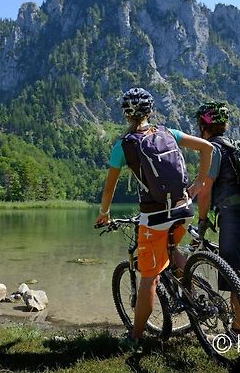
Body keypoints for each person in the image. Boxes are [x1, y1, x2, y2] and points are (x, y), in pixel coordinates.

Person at [95, 87, 213, 350]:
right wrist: (199, 184)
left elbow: (109, 189)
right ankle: (195, 300)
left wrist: (104, 213)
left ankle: (135, 338)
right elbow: (207, 148)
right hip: (185, 209)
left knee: (149, 278)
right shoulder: (168, 132)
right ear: (150, 111)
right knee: (173, 249)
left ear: (126, 114)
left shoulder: (124, 146)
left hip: (155, 216)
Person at [195, 101, 240, 336]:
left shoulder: (212, 149)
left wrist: (202, 221)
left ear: (204, 126)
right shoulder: (232, 145)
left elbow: (205, 189)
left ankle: (239, 330)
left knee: (234, 274)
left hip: (234, 216)